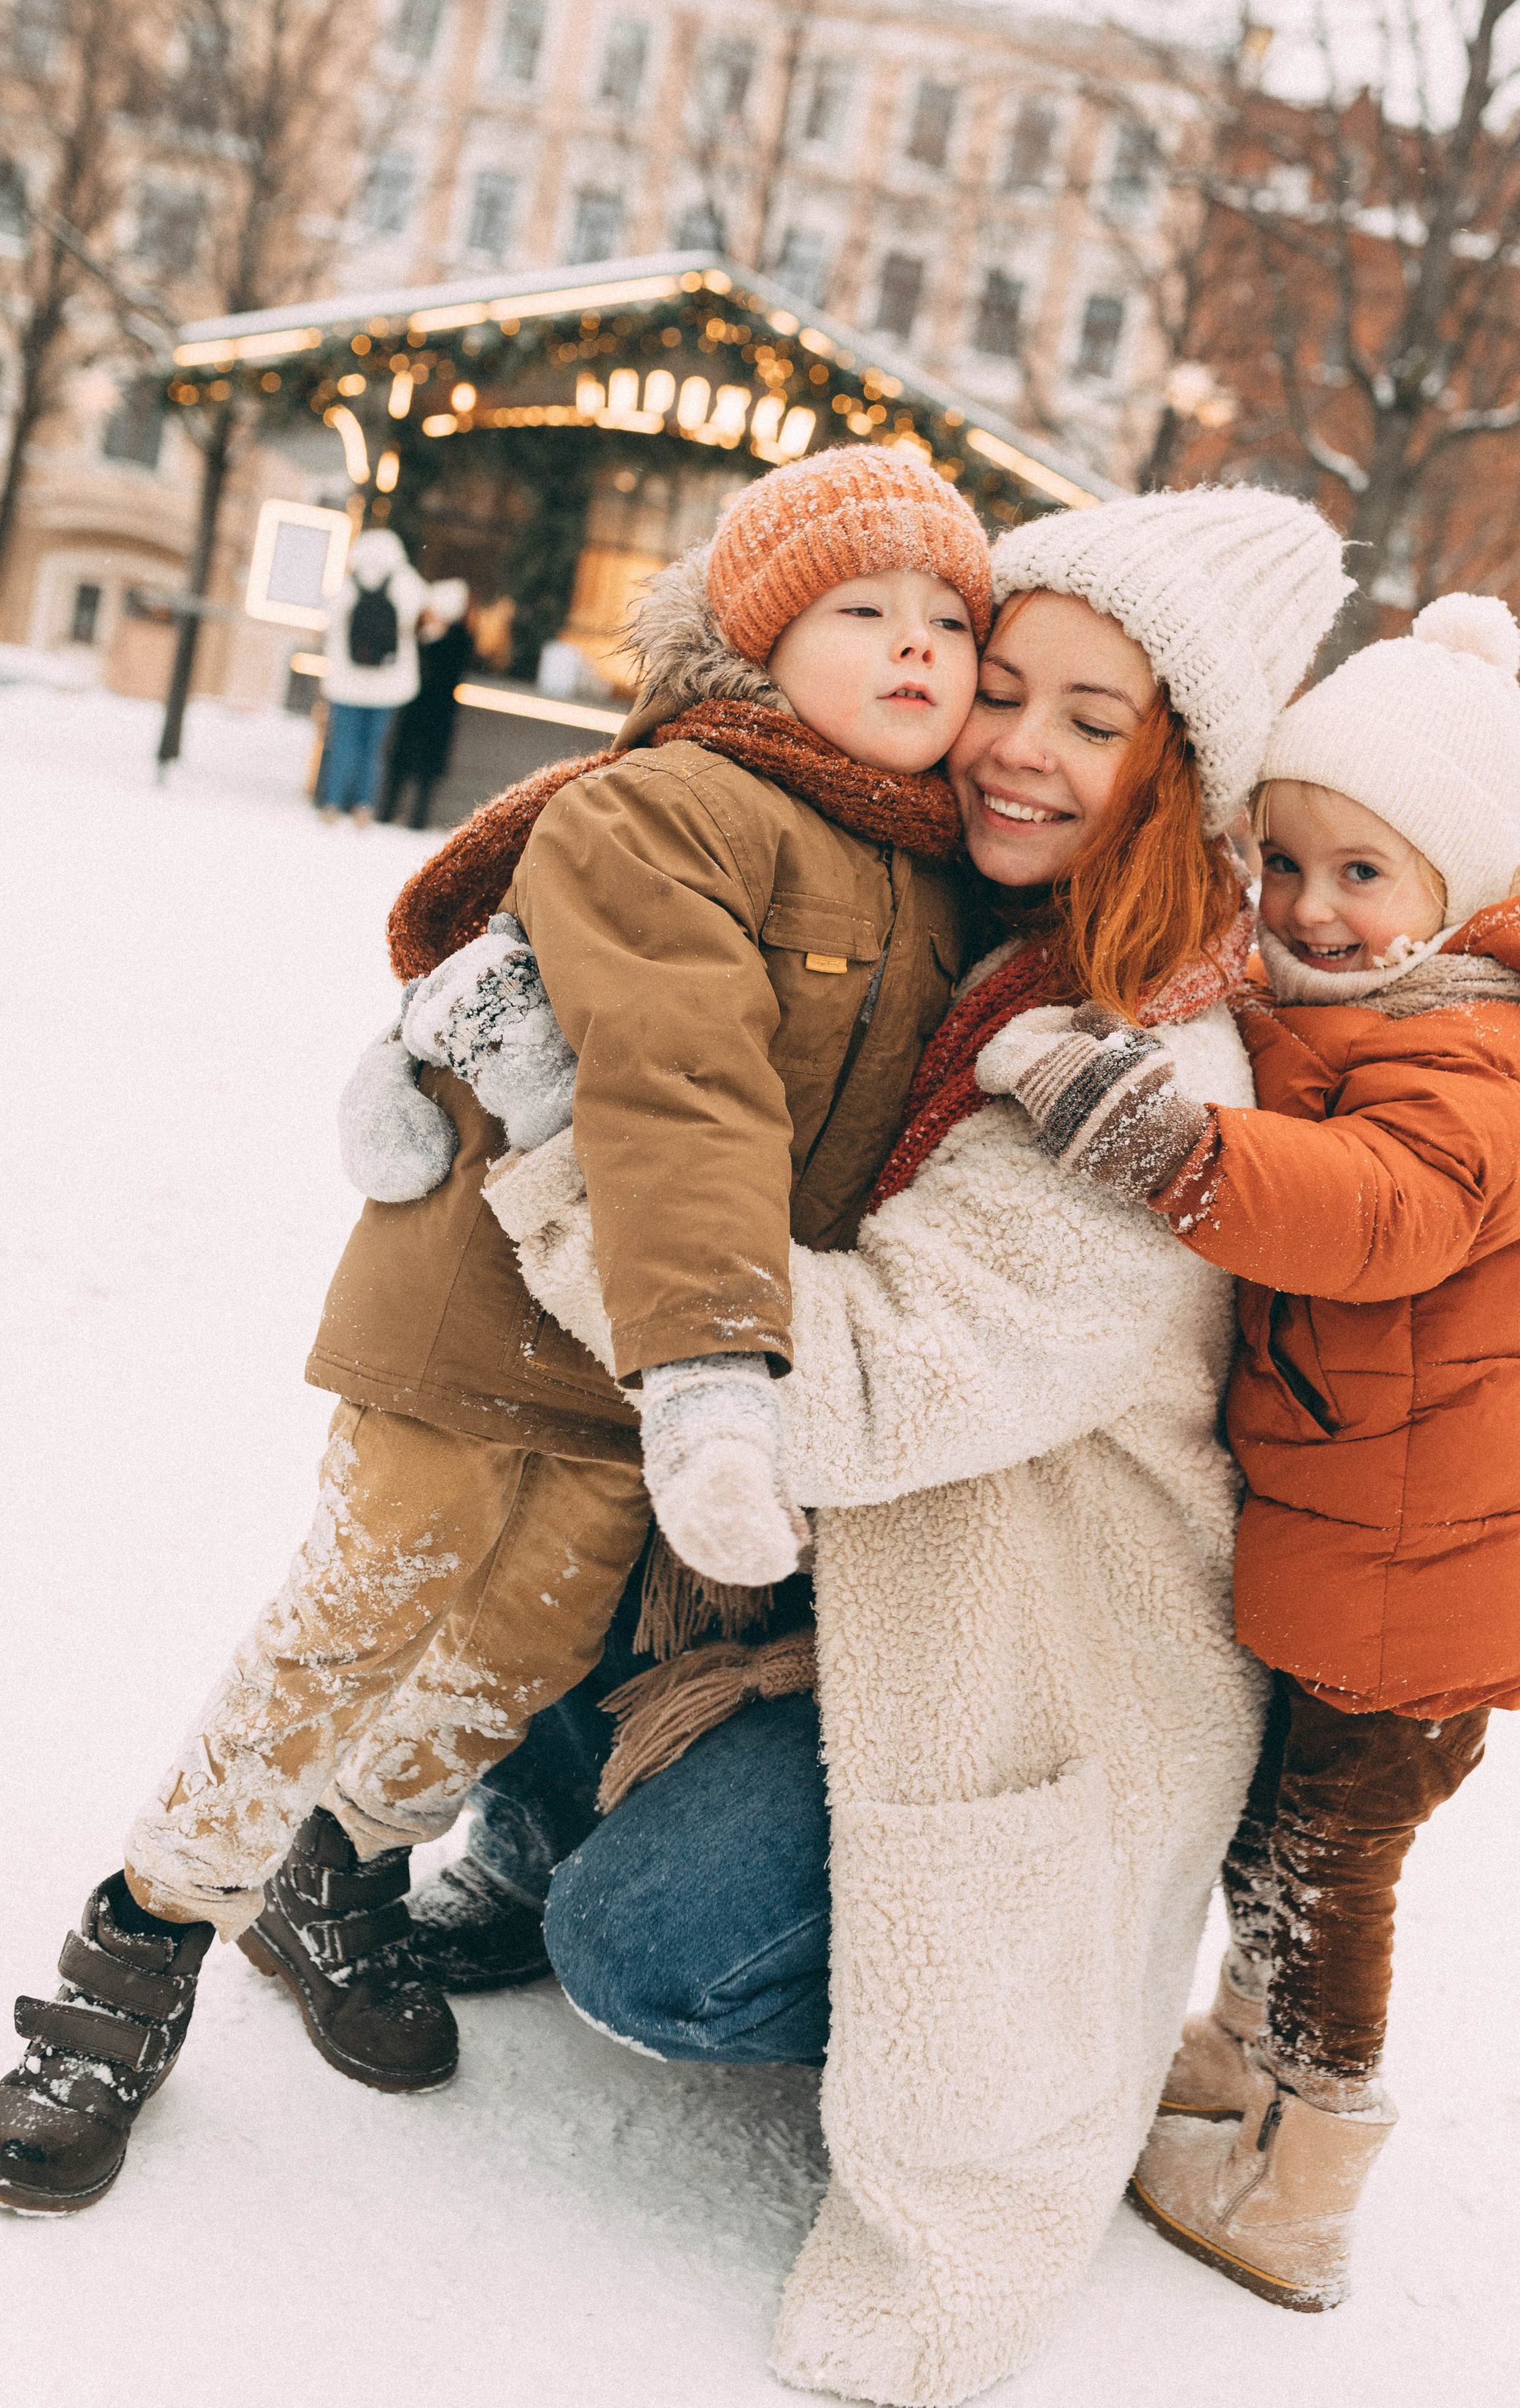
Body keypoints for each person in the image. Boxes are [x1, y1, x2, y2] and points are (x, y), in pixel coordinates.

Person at [415, 484, 1354, 2404]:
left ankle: (855, 1937)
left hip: (1038, 1678)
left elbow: (847, 1383)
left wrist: (562, 1159)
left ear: (1187, 778)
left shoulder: (1150, 1068)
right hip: (871, 1595)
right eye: (1006, 687)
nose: (1016, 744)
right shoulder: (964, 943)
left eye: (1097, 724)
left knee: (645, 1951)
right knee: (534, 1520)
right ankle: (598, 1767)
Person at [0, 445, 993, 2218]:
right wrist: (711, 1368)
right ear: (763, 644)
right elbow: (678, 1085)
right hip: (487, 1313)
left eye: (947, 615)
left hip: (640, 1371)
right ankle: (138, 1943)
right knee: (359, 1608)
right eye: (863, 610)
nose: (917, 643)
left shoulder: (936, 874)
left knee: (525, 1645)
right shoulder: (673, 806)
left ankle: (340, 1860)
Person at [990, 594, 1520, 2314]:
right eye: (1280, 863)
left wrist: (1146, 1131)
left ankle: (1301, 2175)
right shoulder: (1386, 1005)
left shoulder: (1477, 1058)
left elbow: (1368, 1217)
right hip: (1378, 1542)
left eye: (1359, 875)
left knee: (1324, 1870)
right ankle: (1238, 2055)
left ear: (1452, 884)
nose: (1307, 908)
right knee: (1277, 1846)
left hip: (1420, 1577)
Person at [313, 521, 430, 823]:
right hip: (388, 684)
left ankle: (332, 803)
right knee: (373, 748)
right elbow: (424, 619)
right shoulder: (406, 582)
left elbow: (329, 621)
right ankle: (365, 806)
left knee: (343, 742)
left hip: (346, 680)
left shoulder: (349, 583)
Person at [377, 577, 475, 828]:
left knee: (423, 769)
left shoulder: (455, 638)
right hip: (422, 709)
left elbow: (445, 673)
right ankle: (390, 811)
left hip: (433, 710)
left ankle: (415, 817)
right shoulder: (425, 635)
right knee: (404, 764)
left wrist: (432, 643)